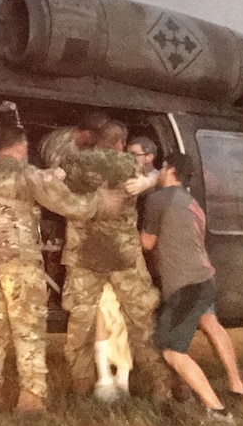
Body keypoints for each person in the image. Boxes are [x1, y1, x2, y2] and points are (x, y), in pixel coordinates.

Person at [0, 125, 99, 415]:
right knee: (28, 328)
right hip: (18, 261)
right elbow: (70, 205)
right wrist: (99, 201)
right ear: (20, 146)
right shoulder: (24, 173)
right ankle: (31, 401)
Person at [61, 120, 170, 403]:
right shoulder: (129, 166)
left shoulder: (75, 163)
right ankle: (161, 384)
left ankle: (82, 386)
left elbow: (53, 173)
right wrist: (148, 180)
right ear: (122, 144)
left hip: (84, 255)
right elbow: (161, 173)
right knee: (141, 318)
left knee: (81, 322)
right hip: (123, 256)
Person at [140, 152, 243, 422]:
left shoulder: (159, 199)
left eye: (162, 168)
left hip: (186, 286)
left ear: (170, 170)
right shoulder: (191, 202)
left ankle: (217, 410)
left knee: (172, 350)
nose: (159, 173)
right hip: (204, 279)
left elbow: (147, 243)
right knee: (209, 323)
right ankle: (236, 384)